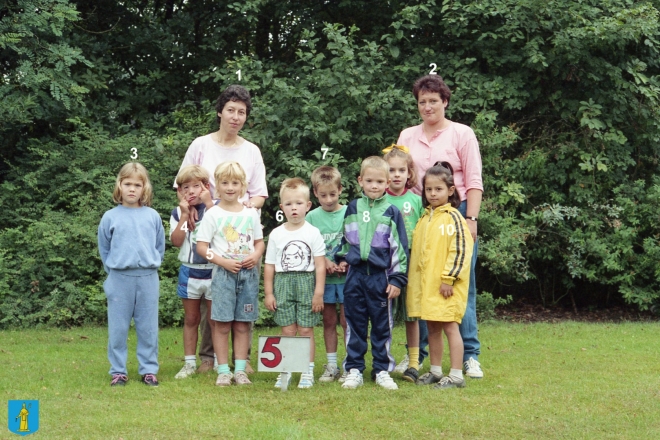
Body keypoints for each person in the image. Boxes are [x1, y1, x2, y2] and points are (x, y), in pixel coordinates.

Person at [175, 84, 268, 374]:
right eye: (231, 110)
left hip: (240, 228)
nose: (235, 116)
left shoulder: (252, 151)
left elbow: (260, 194)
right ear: (220, 111)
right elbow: (182, 184)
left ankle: (243, 359)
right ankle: (208, 357)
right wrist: (187, 208)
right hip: (207, 224)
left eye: (241, 112)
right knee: (212, 289)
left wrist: (244, 211)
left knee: (243, 290)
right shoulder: (200, 145)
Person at [397, 74, 484, 379]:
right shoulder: (407, 136)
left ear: (445, 102)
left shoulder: (462, 134)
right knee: (422, 284)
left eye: (434, 100)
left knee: (460, 285)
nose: (428, 106)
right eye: (422, 101)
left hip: (456, 214)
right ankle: (419, 357)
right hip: (420, 217)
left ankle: (470, 355)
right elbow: (402, 179)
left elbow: (473, 181)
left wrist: (470, 219)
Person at [335, 156, 409, 390]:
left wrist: (397, 279)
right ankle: (354, 368)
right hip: (355, 276)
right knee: (354, 323)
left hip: (380, 278)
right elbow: (345, 237)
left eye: (379, 181)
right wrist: (340, 257)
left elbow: (400, 246)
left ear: (387, 182)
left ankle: (382, 369)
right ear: (360, 181)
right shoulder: (354, 207)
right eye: (369, 181)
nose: (374, 186)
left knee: (381, 326)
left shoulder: (391, 211)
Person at [195, 162, 264, 386]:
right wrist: (223, 261)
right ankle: (223, 370)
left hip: (248, 276)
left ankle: (241, 369)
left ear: (243, 186)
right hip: (223, 276)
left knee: (243, 323)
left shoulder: (251, 213)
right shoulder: (212, 214)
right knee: (222, 323)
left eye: (235, 183)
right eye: (225, 182)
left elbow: (259, 243)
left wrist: (255, 256)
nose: (230, 187)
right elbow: (202, 247)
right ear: (217, 186)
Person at [98, 162, 165, 387]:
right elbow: (104, 248)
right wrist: (114, 273)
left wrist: (149, 266)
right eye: (127, 184)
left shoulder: (152, 216)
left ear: (144, 188)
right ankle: (118, 370)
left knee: (148, 327)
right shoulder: (110, 217)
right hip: (119, 278)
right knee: (118, 328)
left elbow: (159, 246)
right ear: (120, 185)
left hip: (147, 278)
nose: (132, 189)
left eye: (137, 184)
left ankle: (148, 369)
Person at [408, 162, 474, 388]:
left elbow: (461, 249)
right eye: (429, 189)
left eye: (438, 189)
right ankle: (435, 370)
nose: (433, 194)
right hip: (428, 288)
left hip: (446, 286)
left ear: (450, 190)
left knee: (449, 327)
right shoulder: (425, 218)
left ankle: (456, 374)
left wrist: (449, 278)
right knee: (432, 327)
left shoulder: (454, 217)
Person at [264, 178, 326, 389]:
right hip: (283, 283)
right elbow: (270, 266)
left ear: (308, 205)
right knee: (288, 329)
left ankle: (307, 370)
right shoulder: (276, 234)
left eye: (299, 203)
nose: (294, 208)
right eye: (289, 204)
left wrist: (318, 293)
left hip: (306, 282)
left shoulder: (312, 232)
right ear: (282, 207)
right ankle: (287, 367)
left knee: (306, 329)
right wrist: (269, 293)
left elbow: (319, 265)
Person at [382, 144, 427, 383]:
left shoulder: (417, 200)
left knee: (412, 314)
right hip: (386, 262)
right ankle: (384, 360)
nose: (396, 175)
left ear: (410, 173)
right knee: (384, 313)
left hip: (411, 261)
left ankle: (412, 362)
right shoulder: (379, 201)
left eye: (402, 170)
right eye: (391, 170)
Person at [170, 165, 217, 379]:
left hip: (213, 269)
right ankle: (189, 364)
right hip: (190, 271)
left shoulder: (216, 208)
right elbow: (176, 241)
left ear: (206, 187)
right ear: (179, 191)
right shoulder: (178, 212)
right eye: (185, 187)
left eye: (196, 186)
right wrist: (184, 215)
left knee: (215, 319)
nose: (190, 191)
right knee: (191, 318)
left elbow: (224, 234)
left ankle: (218, 361)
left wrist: (208, 203)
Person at [306, 166, 348, 383]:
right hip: (325, 280)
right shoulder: (311, 217)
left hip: (348, 278)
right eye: (323, 195)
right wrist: (325, 262)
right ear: (315, 193)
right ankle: (331, 365)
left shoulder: (350, 212)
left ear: (340, 189)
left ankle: (351, 364)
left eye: (332, 194)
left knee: (347, 320)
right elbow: (309, 247)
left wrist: (345, 260)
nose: (329, 199)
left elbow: (357, 241)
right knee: (329, 320)